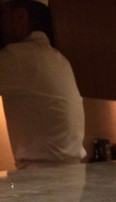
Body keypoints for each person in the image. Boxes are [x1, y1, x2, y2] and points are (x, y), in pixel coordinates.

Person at [0, 0, 86, 168]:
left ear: (20, 17)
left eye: (1, 14)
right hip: (72, 171)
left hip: (41, 175)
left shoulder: (16, 57)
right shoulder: (60, 59)